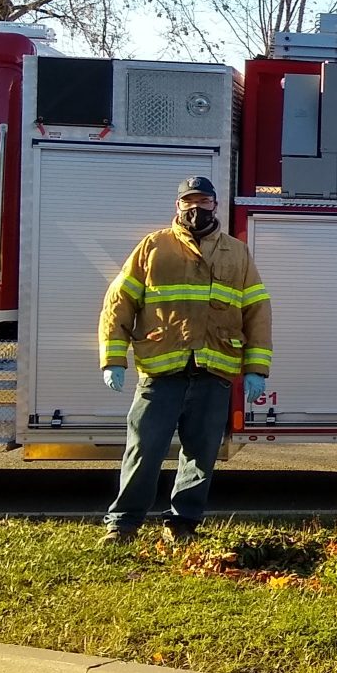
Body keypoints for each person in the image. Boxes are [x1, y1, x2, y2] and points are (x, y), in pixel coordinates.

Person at [97, 175, 272, 546]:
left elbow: (257, 310)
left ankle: (183, 525)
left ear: (215, 205)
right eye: (189, 201)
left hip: (213, 372)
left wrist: (255, 369)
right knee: (144, 450)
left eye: (203, 201)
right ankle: (123, 525)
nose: (196, 208)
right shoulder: (153, 247)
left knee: (201, 455)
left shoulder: (236, 253)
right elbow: (119, 303)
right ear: (177, 206)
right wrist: (113, 358)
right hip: (161, 372)